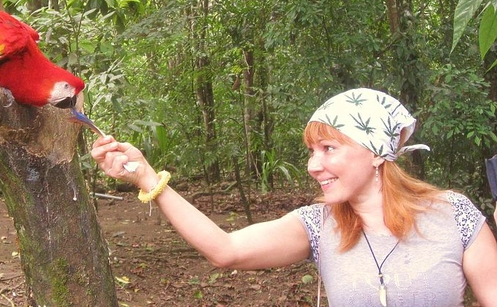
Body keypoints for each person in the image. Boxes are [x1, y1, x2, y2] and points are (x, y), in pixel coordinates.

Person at [92, 88, 497, 306]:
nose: (312, 165)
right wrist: (146, 176)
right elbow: (226, 250)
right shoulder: (318, 225)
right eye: (311, 151)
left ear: (376, 152)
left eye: (328, 149)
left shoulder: (454, 215)